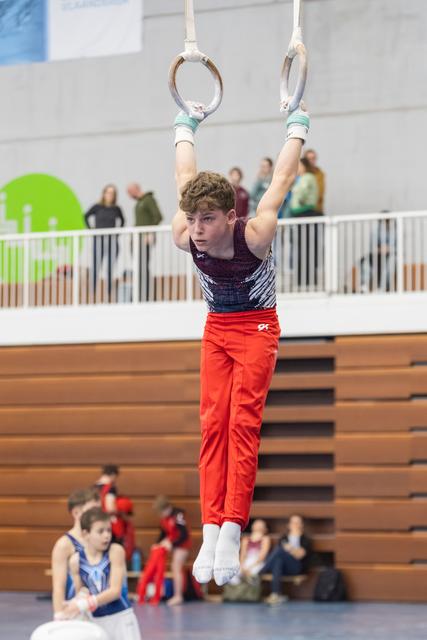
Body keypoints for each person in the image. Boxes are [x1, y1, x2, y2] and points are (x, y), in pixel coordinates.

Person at [171, 98, 309, 586]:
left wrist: (297, 126)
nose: (197, 230)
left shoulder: (256, 233)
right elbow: (184, 175)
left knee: (242, 425)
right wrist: (184, 126)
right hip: (216, 328)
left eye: (207, 220)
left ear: (230, 216)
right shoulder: (185, 235)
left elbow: (282, 183)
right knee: (213, 425)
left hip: (257, 327)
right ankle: (210, 527)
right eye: (192, 220)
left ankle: (231, 529)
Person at [60, 507, 141, 640]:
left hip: (121, 618)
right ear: (86, 534)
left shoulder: (115, 552)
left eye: (109, 530)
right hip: (97, 622)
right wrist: (74, 603)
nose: (107, 535)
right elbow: (82, 590)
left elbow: (115, 591)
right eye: (100, 531)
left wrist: (84, 603)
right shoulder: (76, 561)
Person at [51, 488, 100, 619]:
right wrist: (59, 616)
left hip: (100, 610)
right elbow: (58, 587)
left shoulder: (100, 540)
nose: (98, 515)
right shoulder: (64, 544)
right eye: (92, 511)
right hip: (76, 612)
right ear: (76, 513)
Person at [85, 184, 125, 301]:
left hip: (112, 240)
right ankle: (91, 294)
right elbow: (86, 216)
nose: (109, 195)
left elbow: (122, 221)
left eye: (112, 193)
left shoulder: (116, 209)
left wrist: (117, 233)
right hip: (99, 239)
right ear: (103, 194)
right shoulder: (97, 207)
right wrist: (91, 230)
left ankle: (108, 295)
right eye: (108, 192)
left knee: (110, 268)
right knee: (96, 266)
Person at [261, 514, 312, 606]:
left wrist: (290, 549)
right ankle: (276, 594)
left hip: (297, 567)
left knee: (280, 551)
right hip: (284, 568)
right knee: (278, 562)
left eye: (297, 522)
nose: (295, 524)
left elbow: (300, 555)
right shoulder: (284, 538)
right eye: (293, 522)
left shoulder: (305, 539)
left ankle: (261, 571)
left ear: (302, 525)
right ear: (288, 525)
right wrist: (290, 550)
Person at [153, 495, 192, 606]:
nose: (161, 515)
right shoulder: (164, 518)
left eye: (162, 512)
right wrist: (157, 544)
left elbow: (184, 534)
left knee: (176, 567)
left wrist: (172, 543)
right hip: (175, 544)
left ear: (167, 508)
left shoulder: (178, 515)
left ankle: (178, 596)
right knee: (174, 567)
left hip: (183, 544)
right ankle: (177, 594)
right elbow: (163, 533)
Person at [127, 183, 163, 302]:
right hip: (136, 240)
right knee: (138, 267)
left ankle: (146, 295)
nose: (129, 195)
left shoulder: (148, 199)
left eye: (129, 192)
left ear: (135, 189)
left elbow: (158, 216)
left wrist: (149, 232)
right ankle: (138, 294)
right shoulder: (139, 202)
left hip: (145, 239)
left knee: (143, 266)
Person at [289, 158, 320, 288]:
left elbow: (302, 192)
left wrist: (297, 195)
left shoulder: (307, 177)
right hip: (300, 214)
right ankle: (303, 279)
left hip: (306, 213)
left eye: (299, 166)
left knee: (306, 248)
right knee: (303, 247)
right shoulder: (302, 178)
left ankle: (307, 279)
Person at [230, 519, 271, 584]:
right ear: (252, 527)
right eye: (257, 524)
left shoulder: (265, 539)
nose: (258, 527)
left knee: (252, 575)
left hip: (258, 563)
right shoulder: (246, 539)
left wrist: (250, 567)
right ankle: (238, 591)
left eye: (261, 525)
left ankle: (249, 592)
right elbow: (242, 555)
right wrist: (242, 566)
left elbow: (262, 557)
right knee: (233, 575)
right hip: (246, 562)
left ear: (265, 528)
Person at [95, 464, 124, 545]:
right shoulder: (110, 488)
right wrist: (120, 511)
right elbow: (110, 508)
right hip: (107, 523)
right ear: (113, 475)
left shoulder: (93, 487)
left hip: (94, 522)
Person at [303, 148, 325, 214]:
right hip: (303, 210)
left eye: (313, 158)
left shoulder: (320, 173)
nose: (312, 161)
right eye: (309, 159)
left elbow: (321, 191)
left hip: (317, 208)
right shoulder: (301, 173)